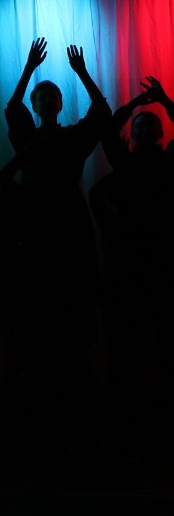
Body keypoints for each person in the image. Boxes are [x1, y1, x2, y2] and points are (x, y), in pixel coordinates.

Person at [0, 37, 111, 410]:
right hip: (31, 227)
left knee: (67, 304)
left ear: (59, 103)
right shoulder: (28, 135)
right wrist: (27, 69)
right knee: (31, 306)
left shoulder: (72, 137)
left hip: (67, 226)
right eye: (40, 97)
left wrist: (83, 73)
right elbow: (12, 108)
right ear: (37, 104)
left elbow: (101, 114)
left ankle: (68, 391)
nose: (45, 101)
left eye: (51, 96)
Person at [89, 76, 174, 404]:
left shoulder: (167, 161)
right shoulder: (124, 163)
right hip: (128, 260)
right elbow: (108, 132)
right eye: (138, 127)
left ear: (159, 133)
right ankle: (131, 401)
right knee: (130, 337)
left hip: (161, 257)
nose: (141, 131)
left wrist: (163, 102)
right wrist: (137, 104)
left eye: (148, 126)